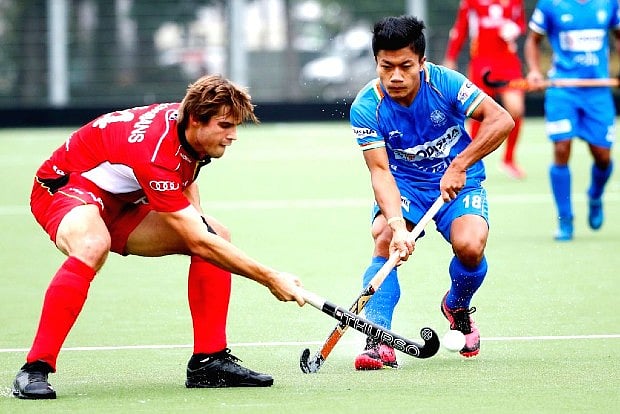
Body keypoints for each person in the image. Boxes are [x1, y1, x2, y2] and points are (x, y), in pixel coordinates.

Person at [12, 74, 306, 400]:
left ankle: (209, 361)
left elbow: (189, 192)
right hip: (65, 189)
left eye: (235, 126)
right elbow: (193, 228)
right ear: (196, 119)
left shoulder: (188, 130)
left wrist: (202, 232)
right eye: (225, 126)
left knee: (216, 235)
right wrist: (271, 278)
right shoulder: (155, 152)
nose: (233, 136)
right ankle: (34, 368)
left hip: (123, 201)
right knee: (93, 244)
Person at [349, 15, 514, 370]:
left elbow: (501, 119)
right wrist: (397, 226)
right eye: (386, 66)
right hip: (405, 185)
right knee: (383, 238)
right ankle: (378, 338)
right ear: (376, 63)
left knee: (470, 246)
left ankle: (457, 305)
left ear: (422, 63)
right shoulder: (366, 106)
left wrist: (460, 164)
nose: (395, 76)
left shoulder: (445, 83)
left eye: (405, 66)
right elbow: (380, 172)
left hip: (458, 180)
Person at [524, 0, 620, 241]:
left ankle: (595, 195)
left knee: (603, 156)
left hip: (598, 91)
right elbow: (533, 40)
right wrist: (534, 71)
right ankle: (565, 219)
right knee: (561, 148)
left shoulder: (609, 3)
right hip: (562, 90)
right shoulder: (550, 4)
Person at [443, 0, 527, 179]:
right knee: (478, 112)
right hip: (482, 61)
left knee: (516, 109)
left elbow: (520, 22)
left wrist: (516, 28)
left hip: (508, 62)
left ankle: (509, 160)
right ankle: (470, 161)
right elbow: (460, 28)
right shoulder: (471, 2)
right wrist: (451, 57)